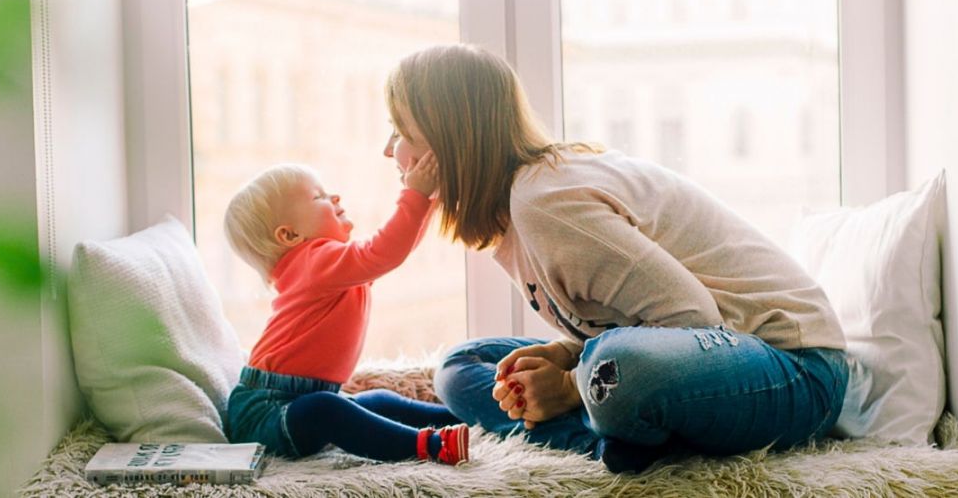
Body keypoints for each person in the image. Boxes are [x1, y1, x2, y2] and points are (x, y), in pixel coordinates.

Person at [380, 43, 849, 474]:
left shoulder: (545, 202)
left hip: (795, 370)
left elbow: (694, 320)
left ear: (449, 140)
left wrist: (567, 385)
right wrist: (569, 357)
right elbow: (632, 324)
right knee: (463, 365)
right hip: (701, 358)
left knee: (616, 367)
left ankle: (607, 428)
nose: (388, 150)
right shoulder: (515, 213)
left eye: (400, 132)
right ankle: (615, 438)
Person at [221, 157, 469, 465]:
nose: (334, 197)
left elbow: (394, 252)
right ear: (289, 236)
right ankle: (430, 446)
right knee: (326, 410)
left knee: (377, 400)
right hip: (265, 413)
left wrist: (429, 201)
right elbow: (385, 251)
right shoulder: (314, 262)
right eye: (319, 197)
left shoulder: (327, 266)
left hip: (297, 399)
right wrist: (416, 196)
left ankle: (463, 417)